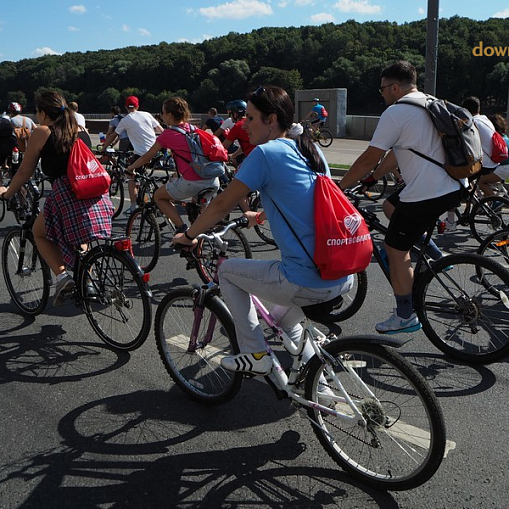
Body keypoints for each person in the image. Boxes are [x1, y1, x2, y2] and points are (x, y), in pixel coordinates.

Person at [174, 85, 353, 381]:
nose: (244, 124)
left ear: (271, 120)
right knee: (284, 319)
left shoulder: (265, 154)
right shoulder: (309, 147)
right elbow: (307, 198)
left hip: (306, 278)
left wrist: (189, 234)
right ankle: (316, 385)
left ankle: (255, 353)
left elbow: (220, 205)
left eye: (251, 118)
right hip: (340, 272)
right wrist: (260, 215)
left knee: (229, 271)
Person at [339, 60, 465, 335]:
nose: (382, 95)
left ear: (394, 87)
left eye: (383, 89)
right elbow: (397, 152)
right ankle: (434, 255)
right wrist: (372, 178)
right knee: (389, 206)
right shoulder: (430, 103)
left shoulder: (396, 112)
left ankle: (405, 315)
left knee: (395, 249)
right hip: (454, 185)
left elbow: (370, 157)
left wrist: (340, 187)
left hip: (427, 193)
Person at [0, 91, 114, 306]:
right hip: (94, 191)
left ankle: (62, 277)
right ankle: (86, 280)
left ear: (43, 113)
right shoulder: (79, 130)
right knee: (82, 238)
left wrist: (8, 191)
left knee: (39, 233)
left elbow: (25, 171)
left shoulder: (43, 132)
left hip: (67, 191)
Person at [127, 97, 220, 234]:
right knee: (197, 213)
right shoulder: (193, 129)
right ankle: (200, 238)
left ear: (170, 115)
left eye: (163, 112)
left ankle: (182, 229)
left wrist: (130, 168)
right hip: (212, 179)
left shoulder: (169, 134)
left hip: (193, 182)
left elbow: (147, 157)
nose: (161, 116)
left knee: (158, 196)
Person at [441, 96, 500, 231]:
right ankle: (472, 201)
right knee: (466, 182)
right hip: (491, 162)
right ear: (479, 108)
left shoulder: (472, 122)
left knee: (454, 180)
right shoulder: (485, 120)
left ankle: (451, 221)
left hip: (483, 163)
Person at [102, 95, 163, 215]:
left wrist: (104, 148)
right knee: (145, 175)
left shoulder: (125, 120)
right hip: (156, 150)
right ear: (138, 106)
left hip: (141, 154)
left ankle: (134, 206)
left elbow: (114, 135)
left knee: (130, 174)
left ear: (125, 107)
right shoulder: (146, 114)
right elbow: (160, 130)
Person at [476, 113, 509, 197]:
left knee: (481, 182)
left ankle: (494, 201)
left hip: (503, 168)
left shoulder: (495, 140)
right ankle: (488, 201)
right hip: (505, 168)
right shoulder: (505, 138)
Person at [222, 99, 256, 168]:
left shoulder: (238, 126)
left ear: (235, 114)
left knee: (238, 176)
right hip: (259, 156)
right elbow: (246, 145)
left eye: (230, 113)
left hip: (252, 159)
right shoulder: (253, 122)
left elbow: (224, 147)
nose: (230, 116)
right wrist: (233, 155)